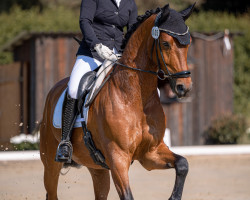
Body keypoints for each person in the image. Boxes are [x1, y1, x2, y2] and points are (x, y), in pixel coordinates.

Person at [55, 0, 138, 163]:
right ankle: (65, 142)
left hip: (119, 55)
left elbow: (133, 30)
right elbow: (84, 21)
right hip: (93, 54)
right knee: (73, 88)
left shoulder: (130, 3)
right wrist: (96, 45)